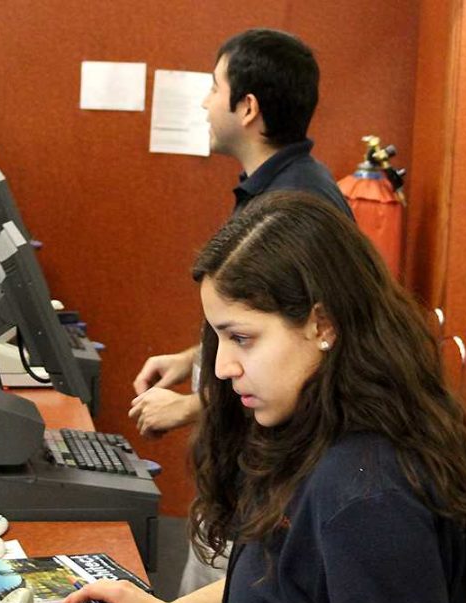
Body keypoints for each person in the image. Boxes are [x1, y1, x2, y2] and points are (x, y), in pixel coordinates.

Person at [67, 191, 466, 603]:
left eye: (242, 338)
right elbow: (285, 587)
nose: (222, 367)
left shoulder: (369, 501)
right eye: (219, 338)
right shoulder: (313, 432)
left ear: (323, 325)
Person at [128, 27, 353, 441]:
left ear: (247, 108)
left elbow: (308, 351)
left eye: (215, 88)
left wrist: (192, 405)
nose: (204, 103)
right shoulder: (275, 187)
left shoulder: (294, 204)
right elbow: (268, 318)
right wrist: (193, 358)